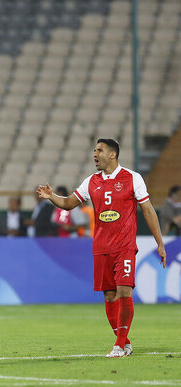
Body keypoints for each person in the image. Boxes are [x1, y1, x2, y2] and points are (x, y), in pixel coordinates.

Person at [36, 138, 166, 358]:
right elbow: (69, 203)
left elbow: (148, 211)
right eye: (94, 150)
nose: (95, 154)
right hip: (101, 247)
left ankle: (119, 344)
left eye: (99, 150)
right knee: (109, 296)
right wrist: (52, 197)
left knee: (124, 290)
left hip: (124, 246)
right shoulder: (91, 182)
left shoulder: (133, 178)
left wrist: (159, 242)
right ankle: (125, 342)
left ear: (112, 154)